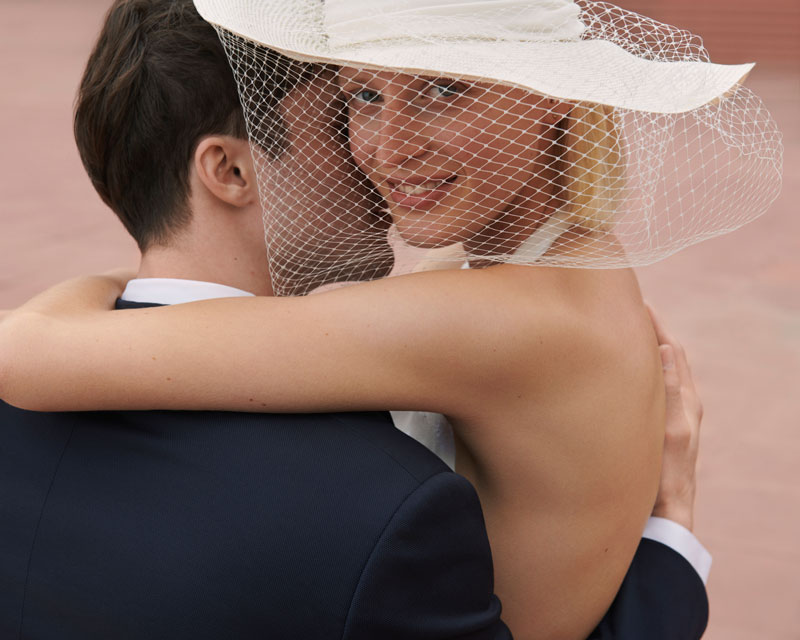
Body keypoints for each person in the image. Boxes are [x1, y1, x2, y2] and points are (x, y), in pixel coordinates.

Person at [1, 0, 759, 637]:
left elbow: (30, 356)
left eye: (443, 89)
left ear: (549, 91)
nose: (388, 148)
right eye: (361, 97)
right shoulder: (545, 261)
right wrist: (672, 541)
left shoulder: (499, 320)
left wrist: (104, 285)